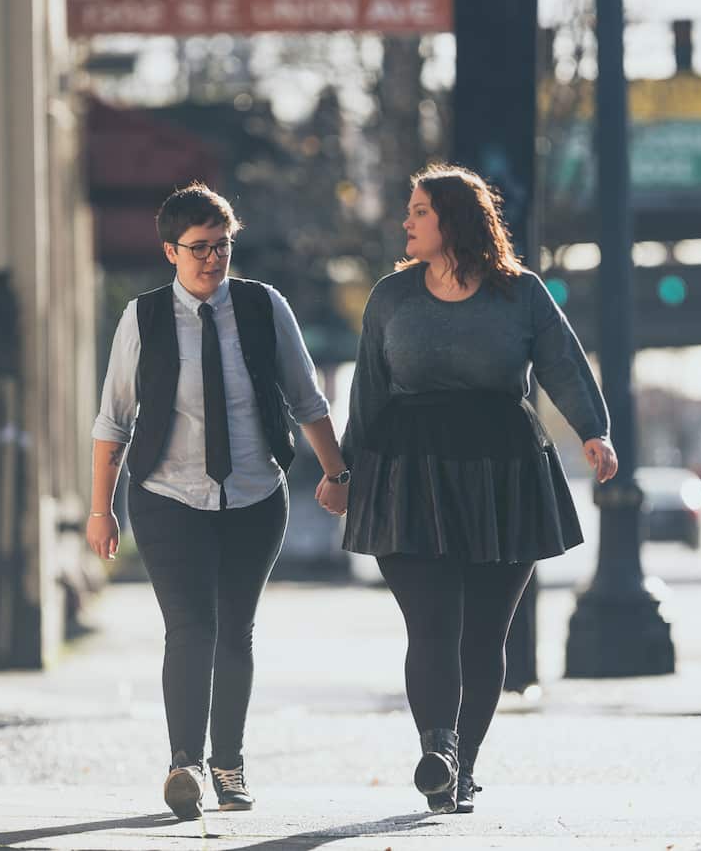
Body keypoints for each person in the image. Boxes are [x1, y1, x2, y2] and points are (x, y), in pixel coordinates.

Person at [340, 164, 617, 814]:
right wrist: (344, 472)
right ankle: (438, 750)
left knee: (485, 634)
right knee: (431, 625)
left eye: (419, 212)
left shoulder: (520, 295)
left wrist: (593, 432)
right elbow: (368, 394)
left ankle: (462, 766)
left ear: (453, 220)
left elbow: (563, 366)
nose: (406, 223)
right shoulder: (391, 298)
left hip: (505, 472)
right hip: (410, 473)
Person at [86, 183, 350, 820]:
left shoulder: (264, 307)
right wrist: (101, 508)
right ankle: (185, 765)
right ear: (170, 251)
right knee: (190, 627)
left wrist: (338, 471)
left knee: (235, 629)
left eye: (222, 245)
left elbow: (306, 397)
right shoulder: (143, 317)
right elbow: (114, 420)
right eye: (199, 248)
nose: (212, 259)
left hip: (256, 496)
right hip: (166, 496)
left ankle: (228, 764)